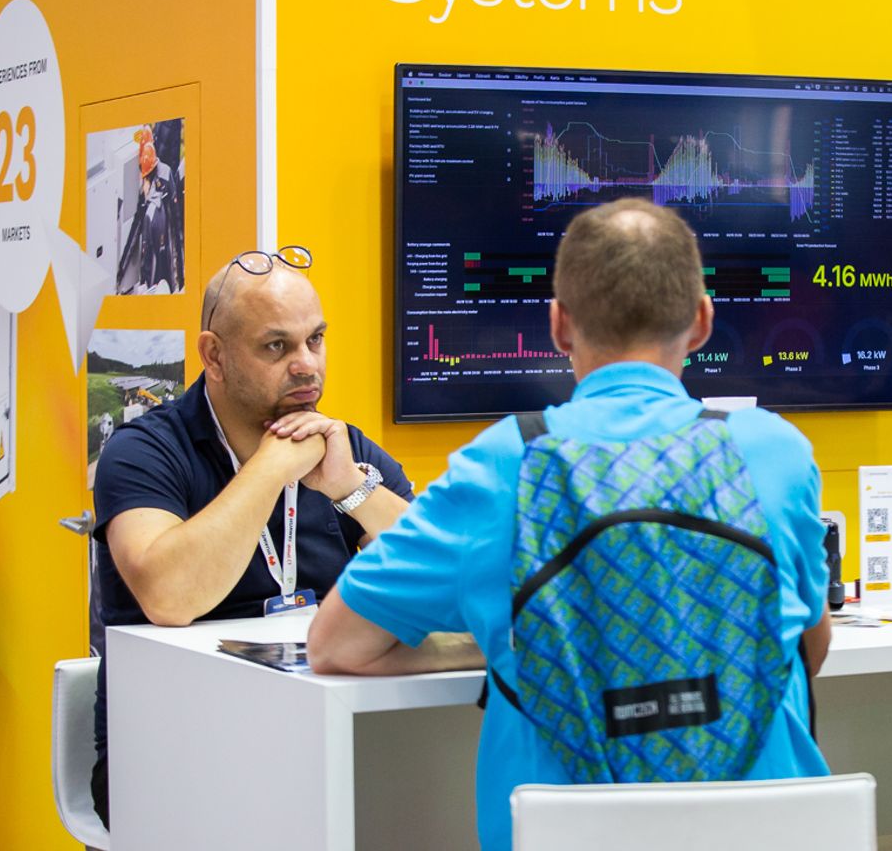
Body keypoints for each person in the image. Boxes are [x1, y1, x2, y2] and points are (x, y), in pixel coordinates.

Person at [308, 198, 832, 851]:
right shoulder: (774, 453)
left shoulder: (502, 464)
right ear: (702, 321)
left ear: (558, 325)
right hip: (770, 834)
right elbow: (810, 645)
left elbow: (336, 646)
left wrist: (504, 642)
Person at [90, 247, 428, 830]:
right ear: (214, 356)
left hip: (310, 731)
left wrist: (351, 489)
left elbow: (440, 574)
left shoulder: (344, 448)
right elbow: (170, 597)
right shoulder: (142, 451)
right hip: (167, 748)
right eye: (277, 347)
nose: (306, 366)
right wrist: (270, 469)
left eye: (315, 340)